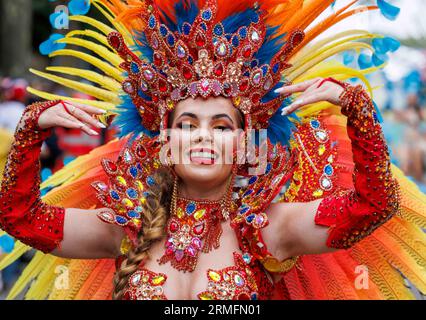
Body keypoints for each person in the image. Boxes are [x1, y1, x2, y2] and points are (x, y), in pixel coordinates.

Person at [0, 0, 425, 300]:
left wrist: (357, 110)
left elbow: (373, 206)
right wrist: (30, 129)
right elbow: (21, 219)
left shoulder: (268, 229)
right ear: (164, 140)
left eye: (222, 126)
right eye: (187, 124)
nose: (203, 136)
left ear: (244, 142)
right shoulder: (126, 228)